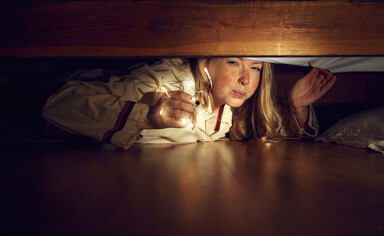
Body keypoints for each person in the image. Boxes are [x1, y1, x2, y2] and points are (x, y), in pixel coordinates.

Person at [42, 58, 336, 149]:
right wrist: (149, 118)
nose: (246, 79)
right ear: (206, 63)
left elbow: (272, 128)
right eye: (234, 62)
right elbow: (59, 104)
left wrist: (296, 105)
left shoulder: (231, 106)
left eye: (256, 67)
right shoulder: (164, 83)